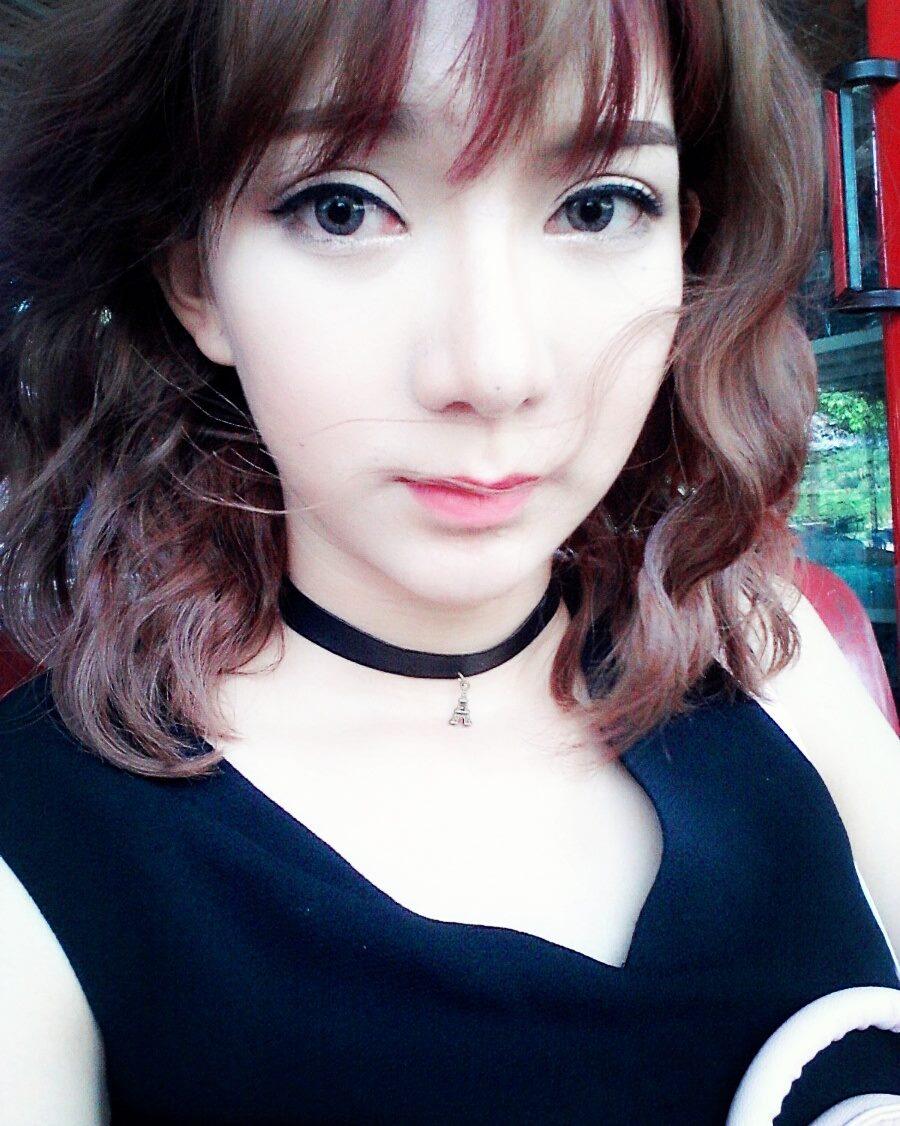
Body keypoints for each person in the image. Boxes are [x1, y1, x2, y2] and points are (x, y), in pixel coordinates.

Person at [0, 0, 898, 1122]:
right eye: (341, 207)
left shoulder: (766, 651)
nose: (493, 370)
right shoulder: (37, 852)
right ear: (197, 282)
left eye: (600, 205)